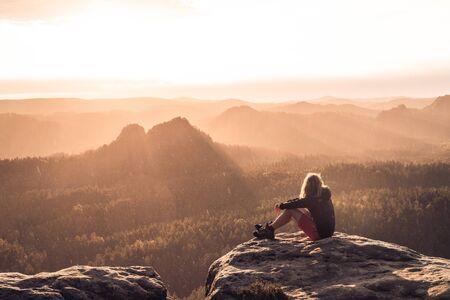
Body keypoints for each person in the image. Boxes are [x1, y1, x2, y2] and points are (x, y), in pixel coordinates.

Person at [253, 173, 335, 240]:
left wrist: (281, 206)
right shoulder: (324, 195)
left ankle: (269, 230)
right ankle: (269, 228)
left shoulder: (312, 199)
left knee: (290, 210)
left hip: (319, 236)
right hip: (327, 233)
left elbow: (299, 203)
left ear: (307, 186)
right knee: (295, 207)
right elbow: (300, 202)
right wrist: (285, 203)